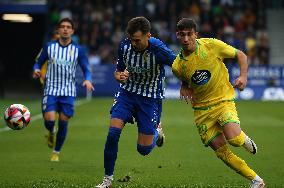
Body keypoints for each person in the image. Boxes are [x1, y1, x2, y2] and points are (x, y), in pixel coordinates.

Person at [172, 18, 265, 188]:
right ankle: (256, 181)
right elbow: (186, 77)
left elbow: (241, 55)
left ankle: (243, 139)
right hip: (201, 111)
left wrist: (243, 76)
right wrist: (184, 85)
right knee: (221, 152)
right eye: (182, 35)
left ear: (196, 34)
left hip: (223, 101)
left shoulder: (211, 45)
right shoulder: (177, 66)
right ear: (177, 36)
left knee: (235, 139)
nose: (186, 39)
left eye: (189, 34)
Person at [96, 16, 176, 188]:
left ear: (148, 35)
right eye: (132, 39)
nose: (134, 43)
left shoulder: (159, 49)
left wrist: (186, 84)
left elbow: (179, 65)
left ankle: (157, 131)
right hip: (127, 95)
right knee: (112, 134)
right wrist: (120, 76)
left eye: (137, 40)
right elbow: (117, 73)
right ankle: (107, 180)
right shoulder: (124, 46)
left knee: (144, 150)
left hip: (150, 99)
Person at [32, 18, 94, 162]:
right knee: (49, 120)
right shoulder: (49, 47)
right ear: (58, 30)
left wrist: (88, 79)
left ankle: (56, 151)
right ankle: (50, 130)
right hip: (51, 89)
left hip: (68, 91)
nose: (65, 29)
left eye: (68, 27)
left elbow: (85, 67)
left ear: (72, 31)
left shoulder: (78, 50)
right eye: (63, 27)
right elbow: (38, 63)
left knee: (64, 120)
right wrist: (36, 70)